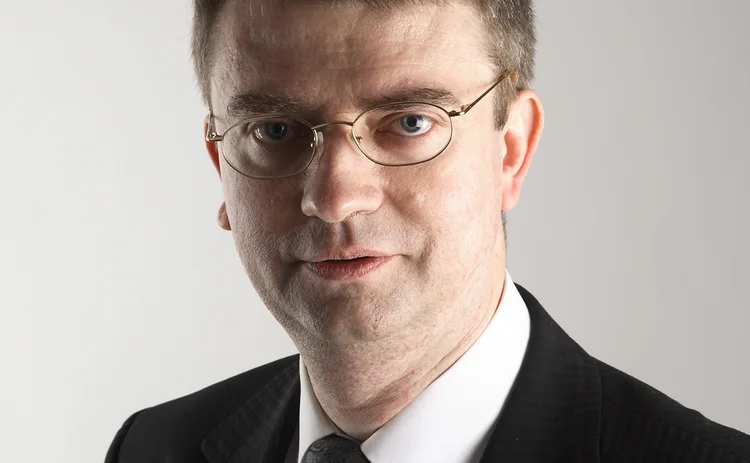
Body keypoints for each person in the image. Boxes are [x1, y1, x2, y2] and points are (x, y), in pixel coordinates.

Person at [105, 0, 750, 461]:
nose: (335, 198)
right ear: (222, 168)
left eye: (410, 122)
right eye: (274, 131)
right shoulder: (153, 449)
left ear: (511, 151)